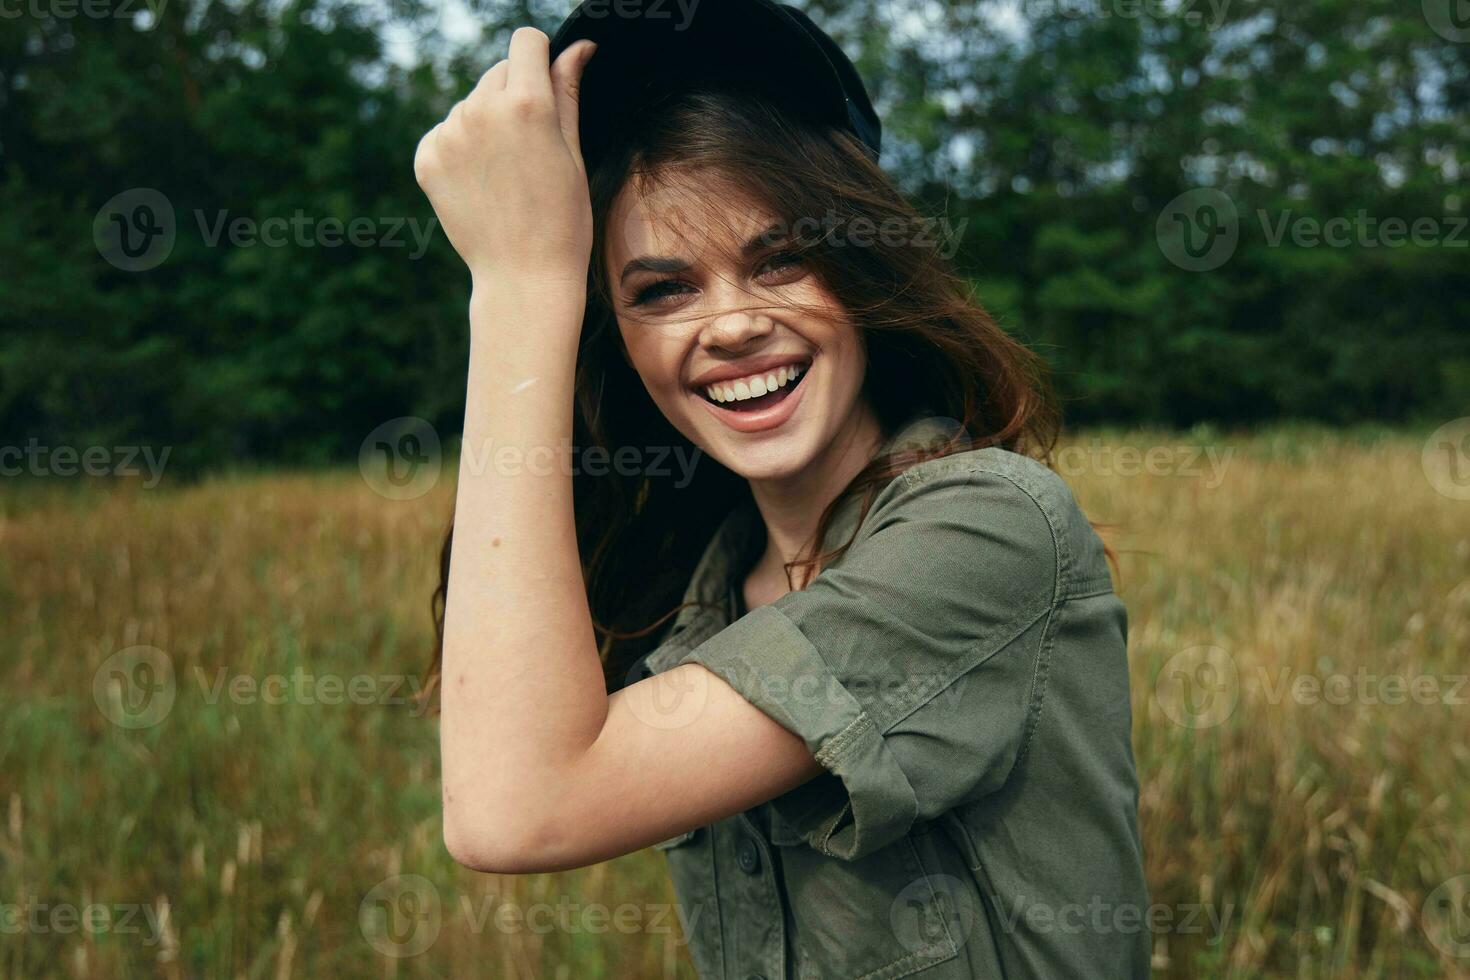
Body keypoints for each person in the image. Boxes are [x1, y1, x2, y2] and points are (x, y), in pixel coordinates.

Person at [411, 2, 1150, 976]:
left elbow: (518, 806)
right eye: (663, 289)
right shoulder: (705, 597)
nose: (729, 325)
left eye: (780, 260)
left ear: (863, 266)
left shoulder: (987, 528)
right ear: (620, 338)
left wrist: (517, 283)